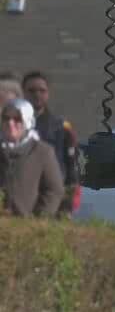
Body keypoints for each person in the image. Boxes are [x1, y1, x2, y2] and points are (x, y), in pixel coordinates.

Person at [22, 72, 78, 216]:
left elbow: (72, 167)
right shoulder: (13, 126)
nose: (37, 94)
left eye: (42, 90)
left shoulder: (61, 127)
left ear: (48, 93)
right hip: (21, 199)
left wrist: (68, 204)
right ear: (23, 93)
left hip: (53, 200)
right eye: (31, 90)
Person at [2, 98, 64, 217]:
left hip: (25, 225)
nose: (10, 123)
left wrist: (38, 219)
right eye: (6, 118)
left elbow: (54, 190)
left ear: (28, 122)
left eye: (17, 119)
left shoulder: (42, 152)